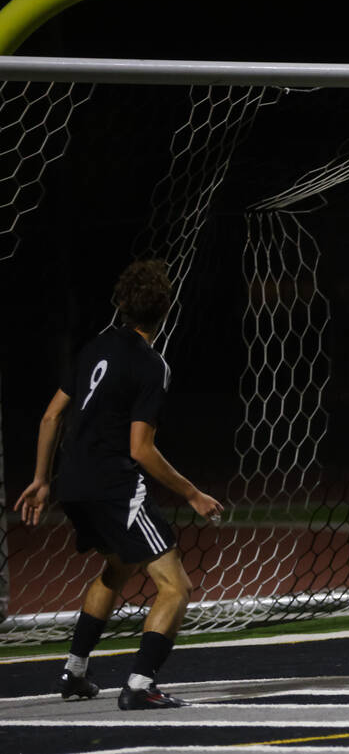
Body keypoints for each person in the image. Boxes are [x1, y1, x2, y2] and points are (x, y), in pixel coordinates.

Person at [14, 259, 223, 710]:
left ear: (121, 305)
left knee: (118, 567)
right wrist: (192, 493)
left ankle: (74, 671)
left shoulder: (95, 348)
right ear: (165, 310)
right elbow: (141, 450)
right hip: (113, 485)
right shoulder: (152, 365)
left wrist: (39, 479)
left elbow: (51, 415)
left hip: (72, 482)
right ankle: (139, 685)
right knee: (176, 586)